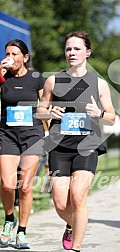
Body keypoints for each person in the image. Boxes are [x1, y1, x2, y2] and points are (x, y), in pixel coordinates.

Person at [37, 31, 115, 252]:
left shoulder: (99, 84)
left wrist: (98, 113)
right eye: (68, 49)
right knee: (61, 204)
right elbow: (40, 111)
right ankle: (71, 225)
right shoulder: (54, 80)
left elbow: (111, 117)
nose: (71, 52)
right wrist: (50, 112)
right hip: (59, 147)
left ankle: (76, 248)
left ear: (87, 52)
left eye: (76, 48)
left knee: (78, 197)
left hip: (87, 146)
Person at [0, 39, 45, 249]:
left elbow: (45, 108)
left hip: (32, 136)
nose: (10, 57)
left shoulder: (37, 79)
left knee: (25, 186)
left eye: (15, 54)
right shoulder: (3, 78)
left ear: (25, 57)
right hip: (7, 135)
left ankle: (22, 232)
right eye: (7, 53)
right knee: (8, 184)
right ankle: (9, 219)